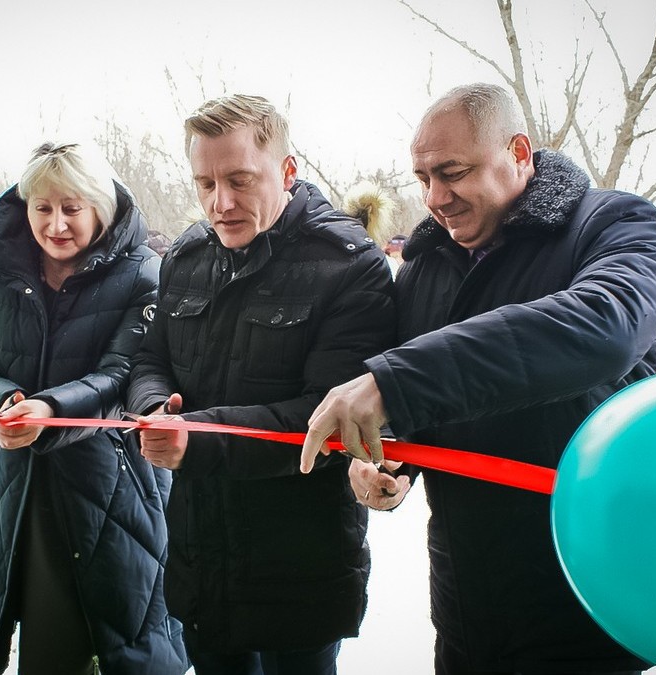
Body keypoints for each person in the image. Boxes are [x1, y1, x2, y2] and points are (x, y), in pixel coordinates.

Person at [300, 83, 656, 674]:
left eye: (453, 173)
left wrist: (395, 385)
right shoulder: (423, 267)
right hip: (466, 593)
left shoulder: (614, 223)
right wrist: (389, 462)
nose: (435, 198)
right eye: (422, 178)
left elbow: (606, 325)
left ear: (519, 152)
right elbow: (422, 407)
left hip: (587, 585)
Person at [125, 94, 397, 675]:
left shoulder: (350, 265)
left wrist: (195, 437)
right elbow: (151, 359)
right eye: (205, 184)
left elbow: (326, 420)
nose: (220, 204)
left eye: (240, 180)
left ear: (288, 171)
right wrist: (155, 408)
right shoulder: (186, 257)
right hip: (202, 554)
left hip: (298, 563)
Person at [0, 142, 187, 675]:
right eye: (43, 208)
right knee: (46, 646)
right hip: (25, 494)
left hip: (119, 489)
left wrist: (46, 410)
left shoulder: (146, 272)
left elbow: (124, 375)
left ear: (99, 205)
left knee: (133, 641)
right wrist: (4, 402)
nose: (56, 224)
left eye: (72, 208)